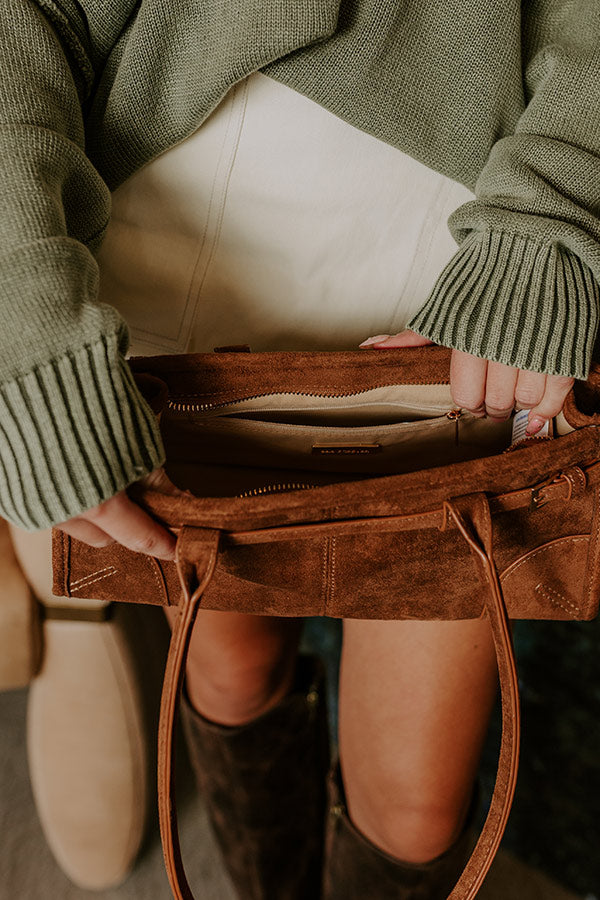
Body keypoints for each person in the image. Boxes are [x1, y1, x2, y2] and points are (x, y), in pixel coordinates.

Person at [1, 1, 598, 898]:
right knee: (230, 669)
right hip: (166, 288)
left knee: (414, 808)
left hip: (461, 276)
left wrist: (558, 213)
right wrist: (22, 325)